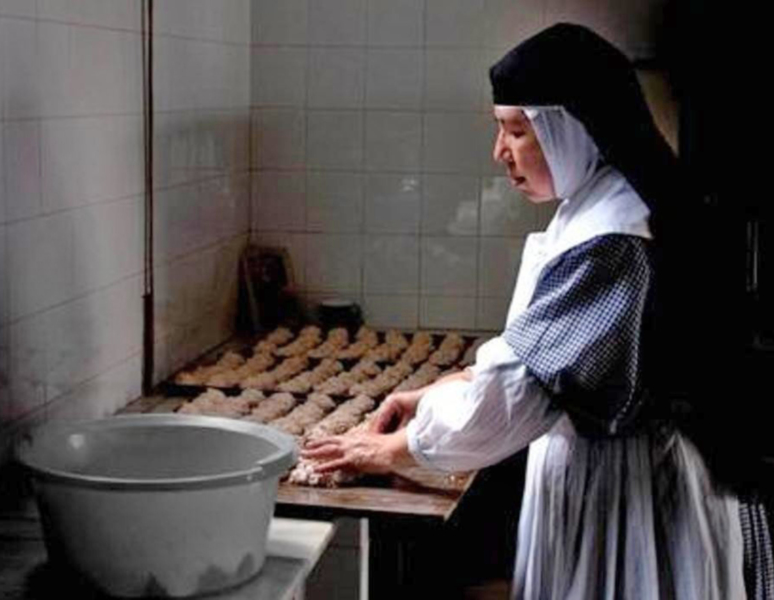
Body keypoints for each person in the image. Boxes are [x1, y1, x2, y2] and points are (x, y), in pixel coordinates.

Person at [303, 23, 767, 599]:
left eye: (516, 131)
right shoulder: (606, 202)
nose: (500, 152)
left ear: (573, 129)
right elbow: (557, 358)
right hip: (622, 476)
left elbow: (516, 399)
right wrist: (440, 389)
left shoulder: (613, 235)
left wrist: (397, 448)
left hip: (623, 496)